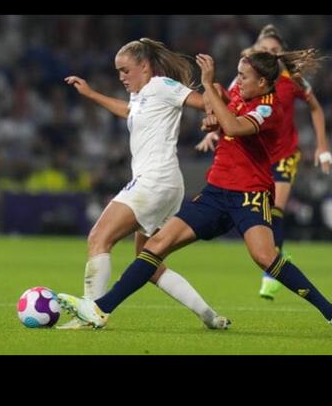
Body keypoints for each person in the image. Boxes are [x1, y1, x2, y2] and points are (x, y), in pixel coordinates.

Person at [57, 50, 332, 336]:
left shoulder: (270, 109)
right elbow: (222, 117)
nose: (238, 80)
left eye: (244, 77)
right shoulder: (241, 97)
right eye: (238, 75)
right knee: (155, 247)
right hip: (216, 193)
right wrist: (213, 119)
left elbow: (233, 124)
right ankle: (100, 309)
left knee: (265, 257)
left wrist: (209, 91)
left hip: (250, 196)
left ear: (263, 83)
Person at [58, 37, 230, 330]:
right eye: (118, 72)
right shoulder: (141, 96)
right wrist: (91, 94)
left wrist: (213, 94)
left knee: (99, 238)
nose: (121, 77)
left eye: (125, 70)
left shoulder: (162, 86)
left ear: (145, 66)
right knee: (148, 263)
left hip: (155, 180)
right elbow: (128, 110)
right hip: (165, 184)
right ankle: (210, 317)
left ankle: (91, 315)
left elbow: (203, 102)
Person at [196, 24, 332, 300]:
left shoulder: (292, 78)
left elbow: (316, 108)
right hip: (255, 156)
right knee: (266, 212)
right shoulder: (245, 77)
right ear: (257, 51)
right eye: (265, 49)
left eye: (274, 49)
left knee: (276, 211)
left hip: (284, 154)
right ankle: (275, 259)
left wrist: (322, 146)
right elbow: (225, 101)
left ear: (280, 53)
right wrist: (213, 127)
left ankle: (271, 272)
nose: (270, 52)